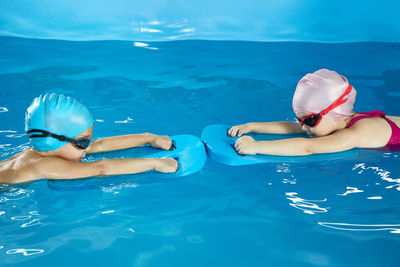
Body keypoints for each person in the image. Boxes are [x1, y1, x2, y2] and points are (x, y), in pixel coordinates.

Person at [0, 93, 178, 184]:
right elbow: (102, 168)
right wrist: (156, 163)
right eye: (83, 142)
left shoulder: (44, 151)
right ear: (56, 139)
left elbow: (99, 145)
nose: (86, 148)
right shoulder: (42, 165)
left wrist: (149, 138)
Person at [228, 69, 400, 155]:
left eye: (309, 121)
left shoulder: (357, 133)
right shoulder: (339, 119)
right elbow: (295, 127)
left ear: (332, 112)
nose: (303, 127)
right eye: (301, 120)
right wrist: (251, 126)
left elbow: (308, 147)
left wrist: (257, 147)